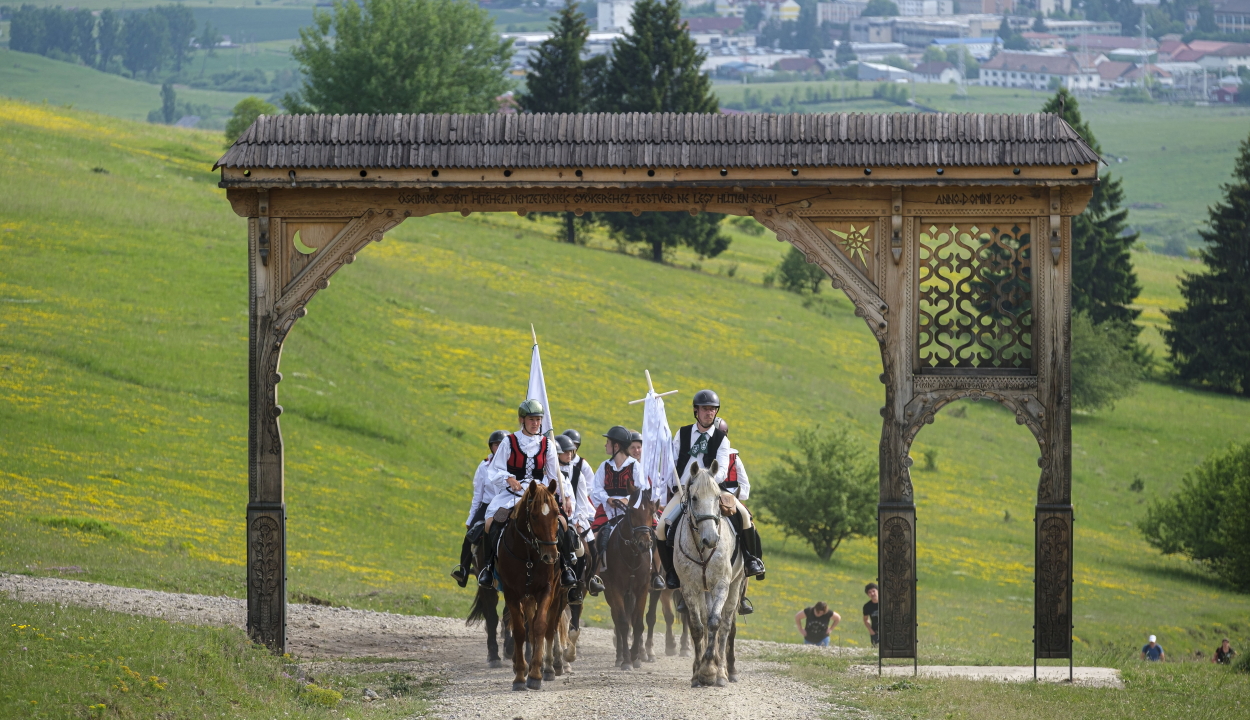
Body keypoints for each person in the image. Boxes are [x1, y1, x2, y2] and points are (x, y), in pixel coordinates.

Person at [656, 390, 766, 598]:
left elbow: (723, 469)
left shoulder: (721, 439)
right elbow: (673, 461)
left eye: (713, 409)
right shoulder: (683, 433)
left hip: (715, 489)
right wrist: (675, 483)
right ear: (696, 411)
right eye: (705, 409)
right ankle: (671, 573)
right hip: (686, 491)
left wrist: (707, 479)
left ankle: (752, 560)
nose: (710, 413)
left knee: (744, 516)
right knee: (661, 528)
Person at [477, 399, 578, 597]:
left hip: (539, 495)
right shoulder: (509, 441)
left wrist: (563, 495)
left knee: (564, 524)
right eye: (532, 419)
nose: (535, 423)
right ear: (522, 420)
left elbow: (552, 473)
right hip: (512, 494)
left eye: (538, 419)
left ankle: (566, 567)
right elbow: (495, 469)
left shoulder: (547, 444)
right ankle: (488, 568)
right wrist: (508, 478)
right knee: (490, 523)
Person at [450, 429, 507, 587]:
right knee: (470, 535)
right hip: (487, 505)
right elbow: (478, 494)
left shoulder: (513, 465)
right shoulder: (484, 466)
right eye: (496, 444)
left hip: (507, 505)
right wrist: (471, 518)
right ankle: (463, 570)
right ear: (491, 447)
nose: (499, 447)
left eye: (503, 445)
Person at [557, 432, 604, 596]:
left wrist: (577, 522)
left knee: (590, 546)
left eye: (571, 451)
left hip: (575, 517)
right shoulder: (549, 471)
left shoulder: (578, 473)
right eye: (565, 451)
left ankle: (586, 581)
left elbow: (583, 502)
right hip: (554, 517)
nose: (569, 454)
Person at [863, 582, 879, 647]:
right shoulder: (867, 606)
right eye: (869, 592)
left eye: (873, 591)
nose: (872, 593)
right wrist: (871, 630)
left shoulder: (887, 602)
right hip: (875, 632)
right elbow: (866, 620)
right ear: (868, 595)